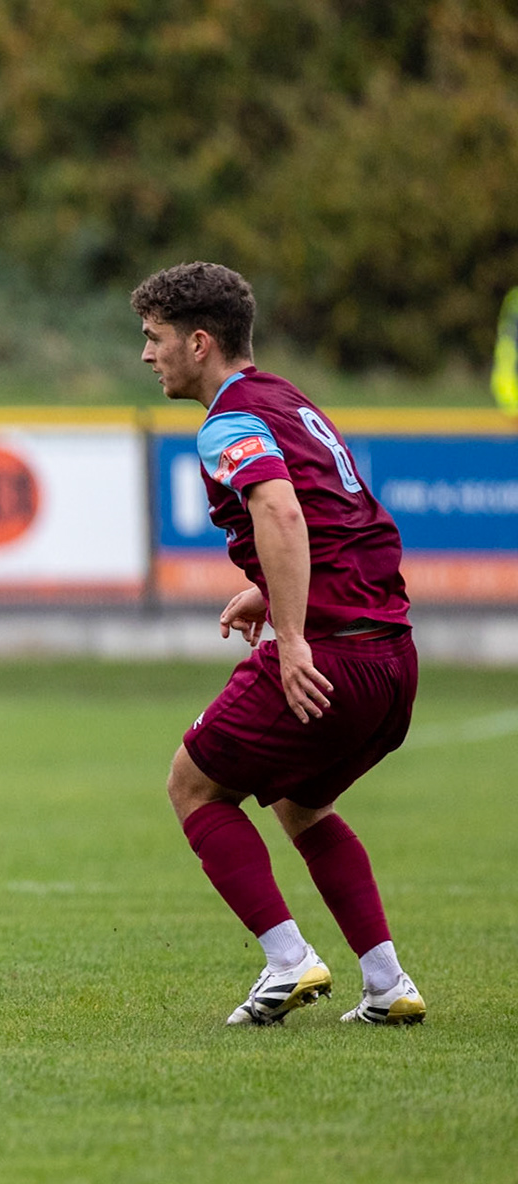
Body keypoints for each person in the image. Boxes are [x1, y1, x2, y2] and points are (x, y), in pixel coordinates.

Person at [133, 261, 424, 1027]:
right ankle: (388, 983)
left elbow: (285, 515)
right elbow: (343, 520)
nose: (145, 354)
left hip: (332, 655)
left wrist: (293, 637)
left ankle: (289, 960)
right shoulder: (288, 401)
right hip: (392, 658)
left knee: (193, 784)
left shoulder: (228, 422)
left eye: (154, 338)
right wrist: (270, 589)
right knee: (301, 805)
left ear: (199, 342)